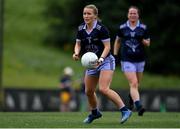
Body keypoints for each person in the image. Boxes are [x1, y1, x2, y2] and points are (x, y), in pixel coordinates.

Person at [72, 4, 131, 124]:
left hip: (106, 61)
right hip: (92, 63)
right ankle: (95, 113)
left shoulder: (101, 29)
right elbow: (78, 44)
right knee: (88, 91)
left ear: (95, 16)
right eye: (84, 13)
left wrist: (101, 59)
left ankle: (125, 110)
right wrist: (76, 53)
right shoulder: (80, 29)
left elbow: (107, 47)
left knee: (104, 89)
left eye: (89, 14)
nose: (86, 16)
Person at [113, 6, 150, 116]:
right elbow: (117, 41)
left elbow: (148, 43)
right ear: (127, 15)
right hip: (127, 59)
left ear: (138, 15)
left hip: (140, 60)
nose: (132, 15)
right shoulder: (123, 27)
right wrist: (115, 55)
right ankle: (139, 106)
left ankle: (131, 97)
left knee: (136, 84)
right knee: (133, 83)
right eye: (131, 13)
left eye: (135, 13)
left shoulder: (143, 27)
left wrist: (141, 39)